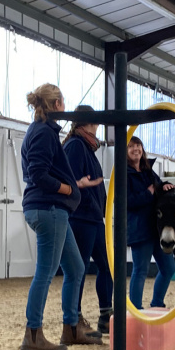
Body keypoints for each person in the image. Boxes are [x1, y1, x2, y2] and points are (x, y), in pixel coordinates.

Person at [19, 84, 103, 350]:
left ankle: (70, 328)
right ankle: (33, 334)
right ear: (56, 105)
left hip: (55, 210)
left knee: (76, 268)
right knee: (45, 272)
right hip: (49, 209)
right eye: (62, 103)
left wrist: (70, 187)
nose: (64, 108)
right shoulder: (44, 132)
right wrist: (68, 188)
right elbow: (39, 173)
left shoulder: (42, 131)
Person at [63, 106, 113, 335]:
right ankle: (75, 318)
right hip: (82, 217)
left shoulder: (86, 147)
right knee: (78, 269)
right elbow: (74, 182)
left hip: (93, 218)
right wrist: (92, 205)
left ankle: (105, 315)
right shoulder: (75, 146)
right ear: (88, 124)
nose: (98, 128)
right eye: (96, 123)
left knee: (107, 265)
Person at [127, 135, 175, 309]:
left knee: (169, 268)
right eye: (131, 146)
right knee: (140, 270)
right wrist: (148, 193)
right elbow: (126, 201)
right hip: (139, 230)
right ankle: (135, 310)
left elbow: (159, 186)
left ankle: (156, 303)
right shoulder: (123, 173)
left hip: (156, 229)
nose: (136, 149)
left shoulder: (148, 170)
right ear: (125, 151)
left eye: (138, 145)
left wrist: (166, 186)